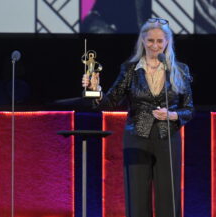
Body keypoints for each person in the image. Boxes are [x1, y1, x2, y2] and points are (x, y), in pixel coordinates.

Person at [82, 18, 194, 217]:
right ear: (142, 40)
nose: (155, 46)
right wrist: (95, 90)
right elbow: (110, 101)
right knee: (137, 198)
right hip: (137, 137)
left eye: (160, 41)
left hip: (168, 137)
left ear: (168, 41)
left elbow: (189, 109)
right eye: (150, 40)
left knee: (169, 198)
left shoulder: (180, 70)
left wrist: (173, 114)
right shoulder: (130, 69)